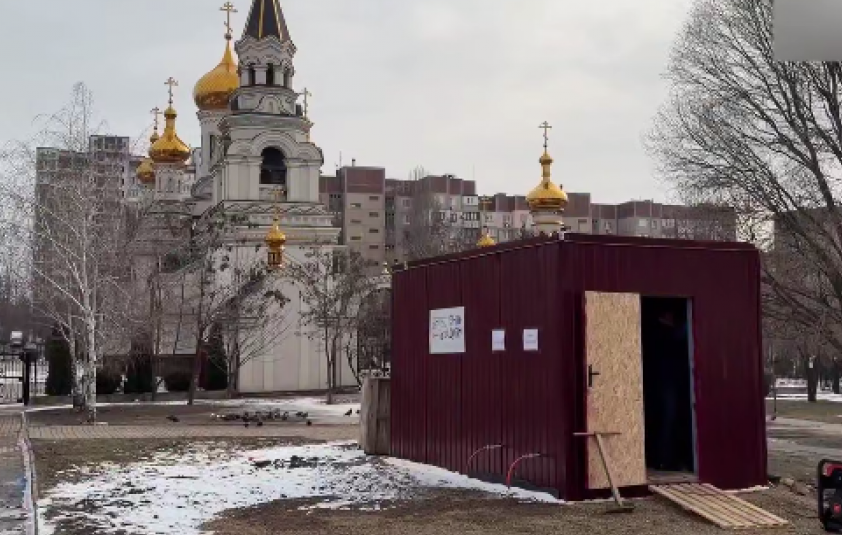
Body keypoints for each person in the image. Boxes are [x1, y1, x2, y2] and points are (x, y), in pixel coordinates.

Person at [651, 307, 690, 471]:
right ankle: (665, 460)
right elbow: (681, 335)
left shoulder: (666, 333)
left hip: (670, 382)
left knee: (671, 420)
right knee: (668, 420)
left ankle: (668, 459)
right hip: (667, 383)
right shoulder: (664, 333)